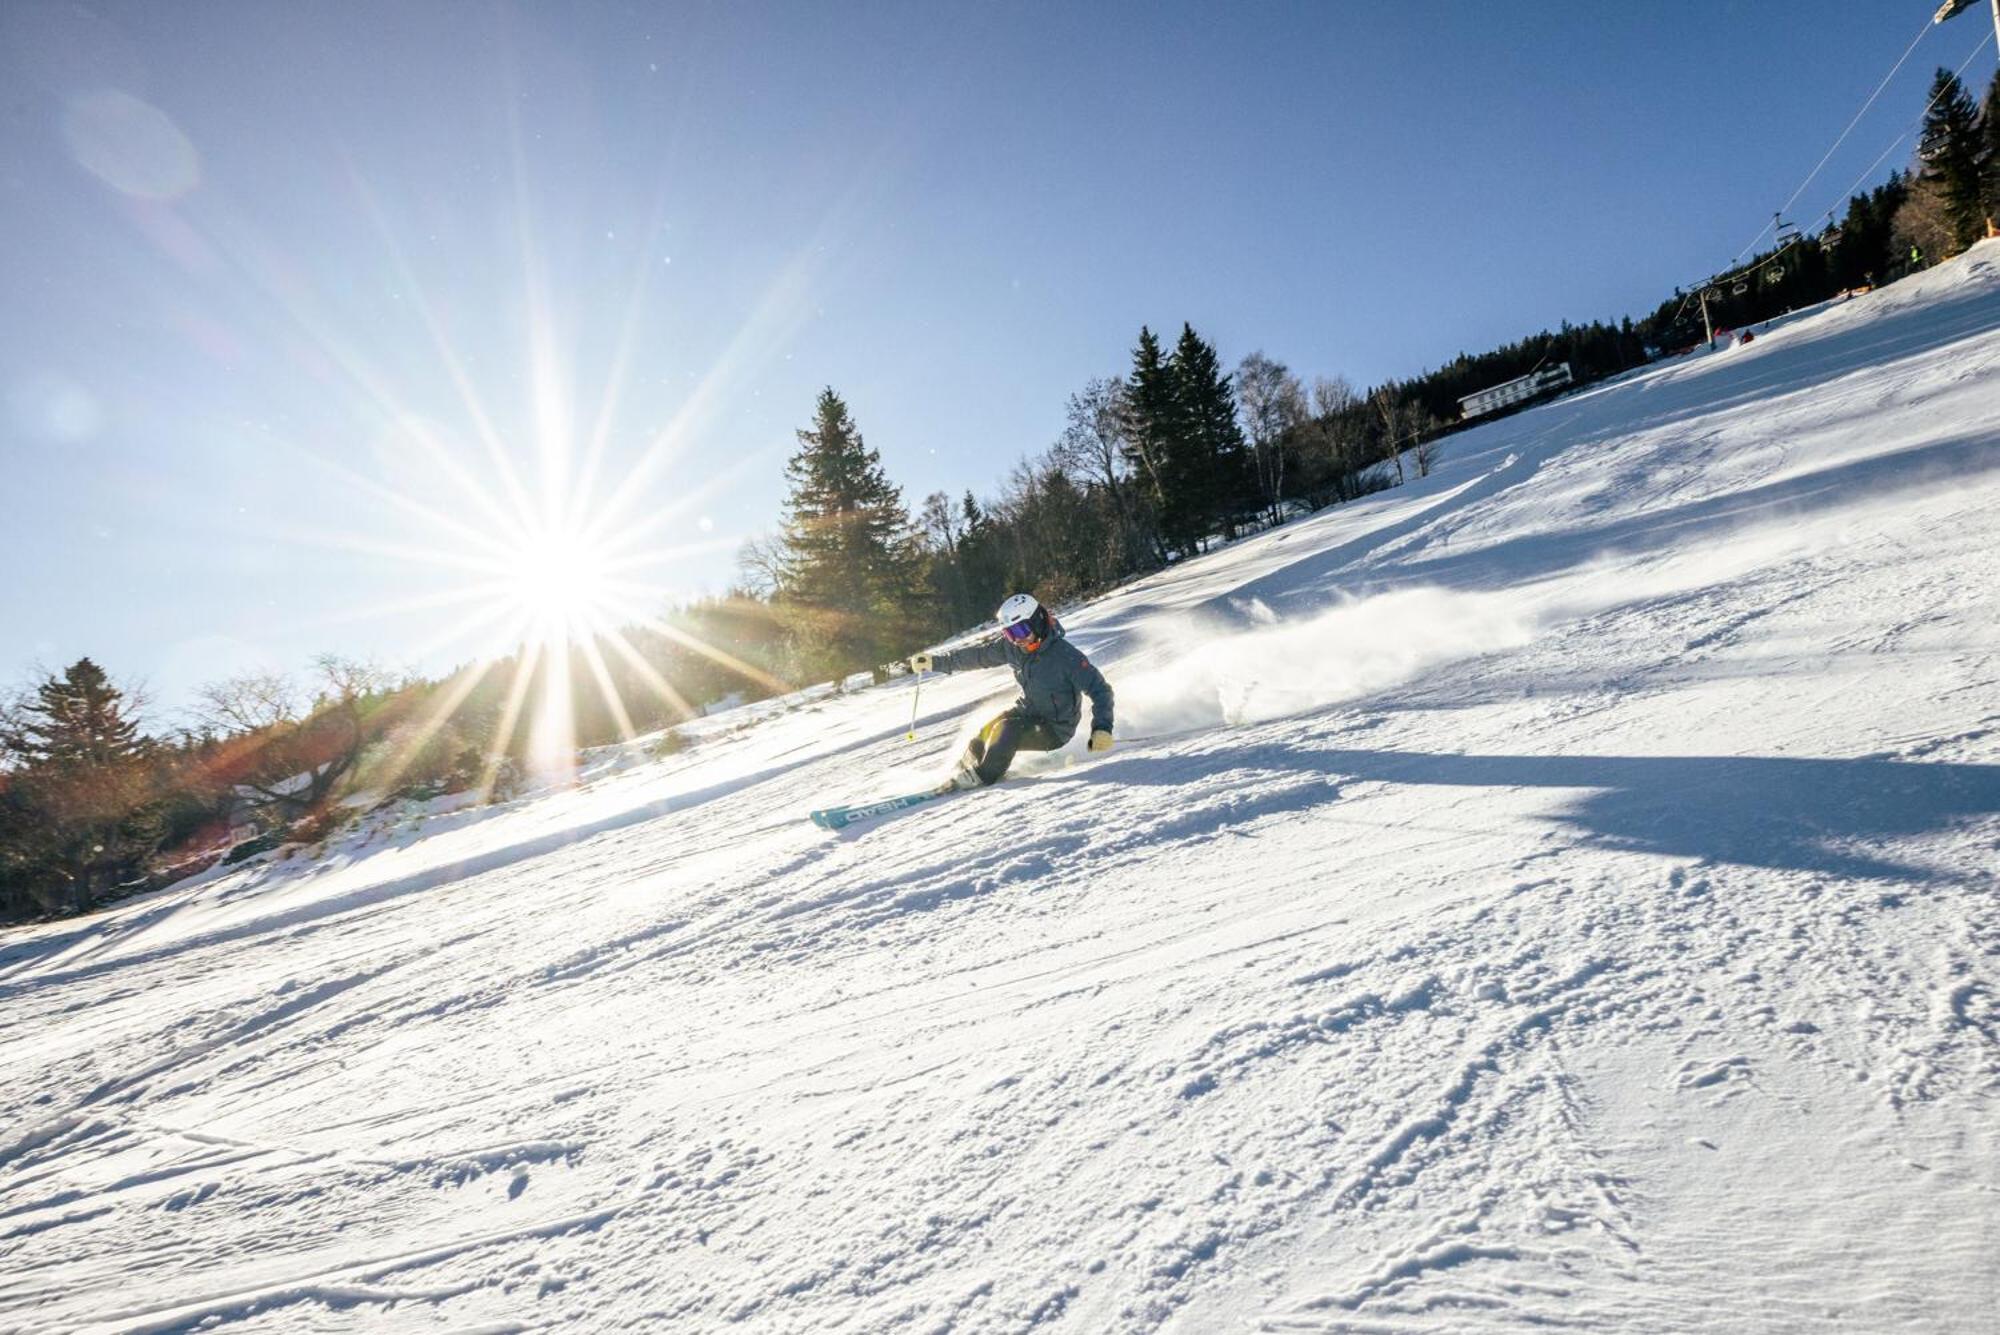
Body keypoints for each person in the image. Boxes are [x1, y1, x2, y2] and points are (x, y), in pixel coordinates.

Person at [908, 593, 1114, 789]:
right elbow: (978, 656)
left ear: (1036, 622)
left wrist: (1102, 728)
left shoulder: (1065, 656)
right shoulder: (1013, 648)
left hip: (1056, 728)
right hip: (1027, 713)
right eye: (1009, 633)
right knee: (985, 732)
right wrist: (935, 662)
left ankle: (983, 776)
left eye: (1020, 631)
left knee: (1006, 730)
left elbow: (1100, 690)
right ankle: (960, 770)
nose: (1017, 640)